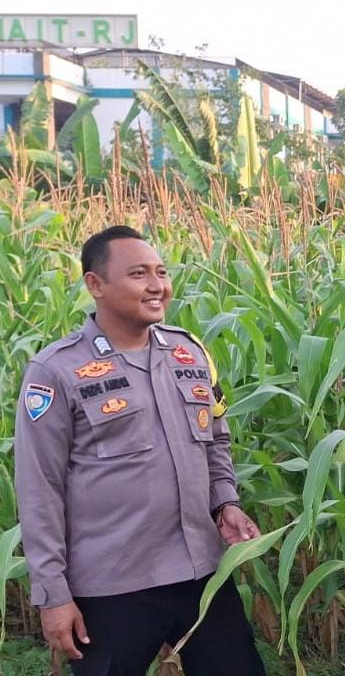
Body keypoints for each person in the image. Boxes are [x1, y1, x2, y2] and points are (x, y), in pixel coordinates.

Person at [14, 225, 266, 676]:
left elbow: (216, 439)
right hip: (112, 587)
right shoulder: (56, 371)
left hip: (200, 573)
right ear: (96, 284)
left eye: (161, 272)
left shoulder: (189, 353)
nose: (157, 285)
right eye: (138, 274)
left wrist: (225, 502)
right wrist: (52, 594)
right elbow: (39, 489)